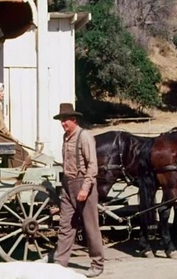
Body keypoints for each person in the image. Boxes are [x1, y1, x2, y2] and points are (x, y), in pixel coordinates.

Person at [53, 103, 104, 278]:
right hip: (68, 186)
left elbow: (92, 166)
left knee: (91, 227)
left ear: (74, 120)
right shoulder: (66, 137)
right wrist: (64, 188)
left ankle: (97, 264)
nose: (63, 123)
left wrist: (85, 188)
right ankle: (60, 263)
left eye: (65, 120)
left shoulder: (85, 137)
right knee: (65, 226)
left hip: (83, 185)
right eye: (61, 120)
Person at [0, 81, 30, 168]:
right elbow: (1, 127)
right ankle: (18, 172)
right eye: (0, 91)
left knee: (15, 147)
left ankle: (12, 167)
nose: (3, 94)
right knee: (17, 150)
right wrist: (12, 138)